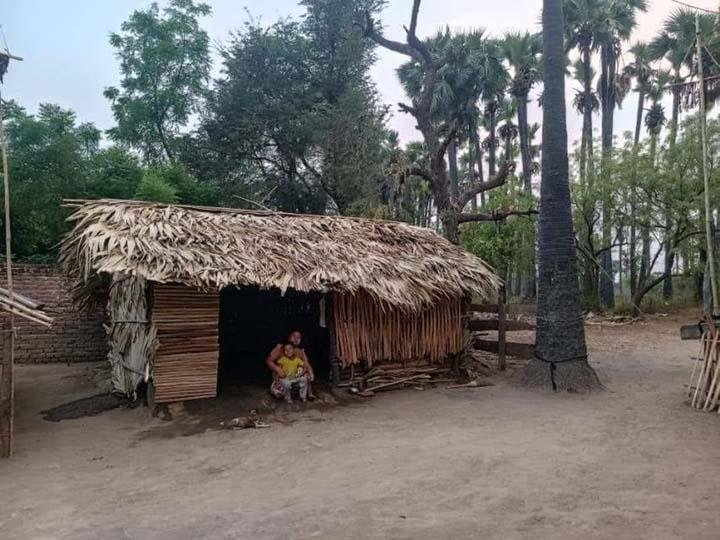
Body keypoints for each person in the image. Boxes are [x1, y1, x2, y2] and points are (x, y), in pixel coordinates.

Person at [267, 330, 315, 400]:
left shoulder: (300, 351)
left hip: (293, 379)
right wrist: (277, 369)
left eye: (299, 337)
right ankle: (279, 390)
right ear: (289, 337)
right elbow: (269, 361)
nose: (296, 339)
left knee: (305, 372)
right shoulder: (280, 347)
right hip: (281, 380)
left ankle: (308, 393)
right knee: (280, 392)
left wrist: (311, 373)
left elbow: (306, 364)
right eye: (294, 336)